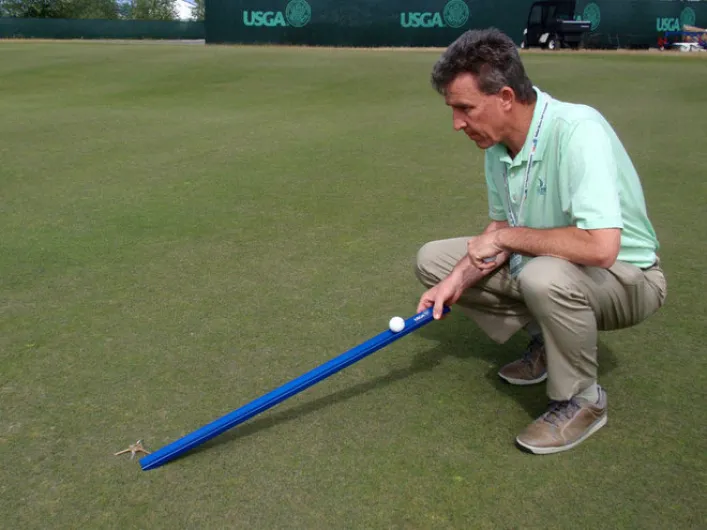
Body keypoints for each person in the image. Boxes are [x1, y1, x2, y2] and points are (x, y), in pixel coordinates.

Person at [414, 28, 667, 454]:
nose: (457, 123)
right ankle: (549, 344)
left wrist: (509, 239)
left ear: (507, 97)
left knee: (543, 276)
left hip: (630, 280)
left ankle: (583, 400)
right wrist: (455, 281)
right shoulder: (496, 149)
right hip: (554, 268)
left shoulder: (578, 130)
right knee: (435, 261)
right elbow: (500, 229)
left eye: (464, 108)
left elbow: (602, 248)